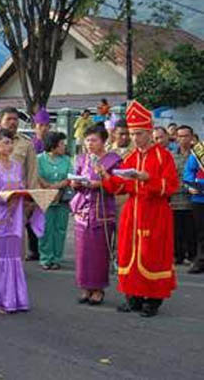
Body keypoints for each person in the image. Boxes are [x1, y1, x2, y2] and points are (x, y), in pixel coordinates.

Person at [99, 100, 178, 317]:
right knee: (127, 252)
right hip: (132, 212)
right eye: (133, 134)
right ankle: (132, 297)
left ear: (150, 132)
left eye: (140, 134)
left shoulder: (164, 156)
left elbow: (170, 186)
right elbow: (121, 185)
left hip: (155, 212)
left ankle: (152, 300)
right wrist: (107, 177)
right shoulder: (131, 157)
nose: (135, 138)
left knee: (152, 254)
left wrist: (147, 178)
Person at [0, 129, 44, 313]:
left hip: (15, 218)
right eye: (5, 142)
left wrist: (26, 195)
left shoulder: (17, 166)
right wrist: (7, 196)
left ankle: (14, 298)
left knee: (13, 258)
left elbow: (21, 187)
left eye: (11, 142)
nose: (10, 146)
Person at [0, 107, 39, 261]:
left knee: (17, 242)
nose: (12, 122)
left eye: (15, 119)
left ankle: (14, 274)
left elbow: (32, 171)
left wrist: (31, 199)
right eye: (8, 119)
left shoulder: (26, 143)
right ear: (0, 121)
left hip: (18, 202)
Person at [71, 125, 122, 305]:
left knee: (99, 252)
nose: (90, 144)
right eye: (87, 140)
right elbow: (75, 178)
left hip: (102, 210)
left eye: (94, 140)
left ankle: (98, 289)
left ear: (104, 141)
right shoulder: (81, 159)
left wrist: (99, 183)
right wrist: (75, 183)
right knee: (82, 251)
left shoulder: (113, 160)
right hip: (83, 209)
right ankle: (85, 287)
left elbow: (117, 184)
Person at [37, 132, 71, 271]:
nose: (64, 146)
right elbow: (37, 176)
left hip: (62, 197)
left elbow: (70, 176)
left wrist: (56, 187)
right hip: (44, 197)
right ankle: (46, 258)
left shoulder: (67, 160)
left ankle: (57, 258)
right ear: (53, 146)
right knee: (45, 229)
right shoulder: (39, 159)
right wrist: (49, 188)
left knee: (60, 229)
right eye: (62, 144)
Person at [171, 125, 196, 266]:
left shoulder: (198, 155)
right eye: (180, 136)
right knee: (177, 231)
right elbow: (171, 176)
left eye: (186, 136)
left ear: (192, 137)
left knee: (192, 230)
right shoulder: (172, 156)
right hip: (175, 200)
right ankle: (178, 255)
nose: (183, 139)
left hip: (193, 199)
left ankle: (192, 255)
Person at [183, 139, 204, 274]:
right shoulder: (199, 149)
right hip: (199, 198)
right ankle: (201, 260)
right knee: (201, 233)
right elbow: (189, 171)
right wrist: (190, 186)